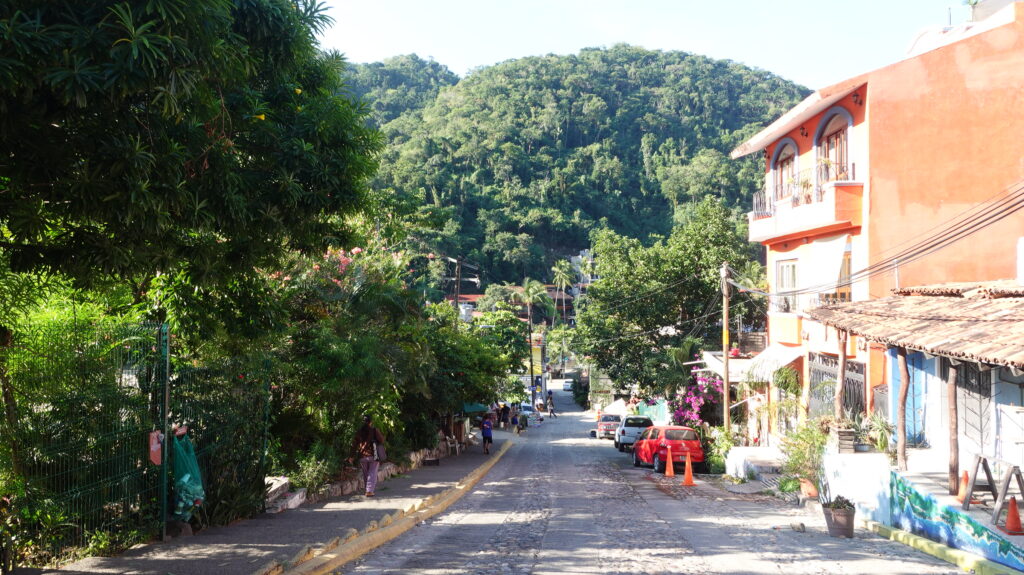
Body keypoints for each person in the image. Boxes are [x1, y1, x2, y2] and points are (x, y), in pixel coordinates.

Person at [351, 414, 385, 497]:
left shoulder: (359, 431)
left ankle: (367, 490)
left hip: (362, 456)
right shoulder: (374, 430)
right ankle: (369, 491)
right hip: (373, 455)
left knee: (366, 474)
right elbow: (381, 440)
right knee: (372, 473)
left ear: (363, 422)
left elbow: (354, 444)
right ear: (371, 422)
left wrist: (351, 456)